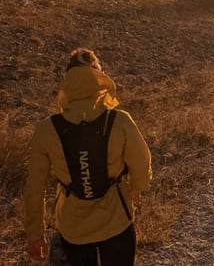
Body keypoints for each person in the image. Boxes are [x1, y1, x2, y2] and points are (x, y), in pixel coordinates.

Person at [24, 47, 152, 265]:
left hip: (74, 229)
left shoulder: (46, 129)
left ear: (67, 81)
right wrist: (137, 189)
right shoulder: (119, 120)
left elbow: (34, 189)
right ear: (99, 78)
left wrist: (35, 235)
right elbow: (141, 163)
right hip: (118, 222)